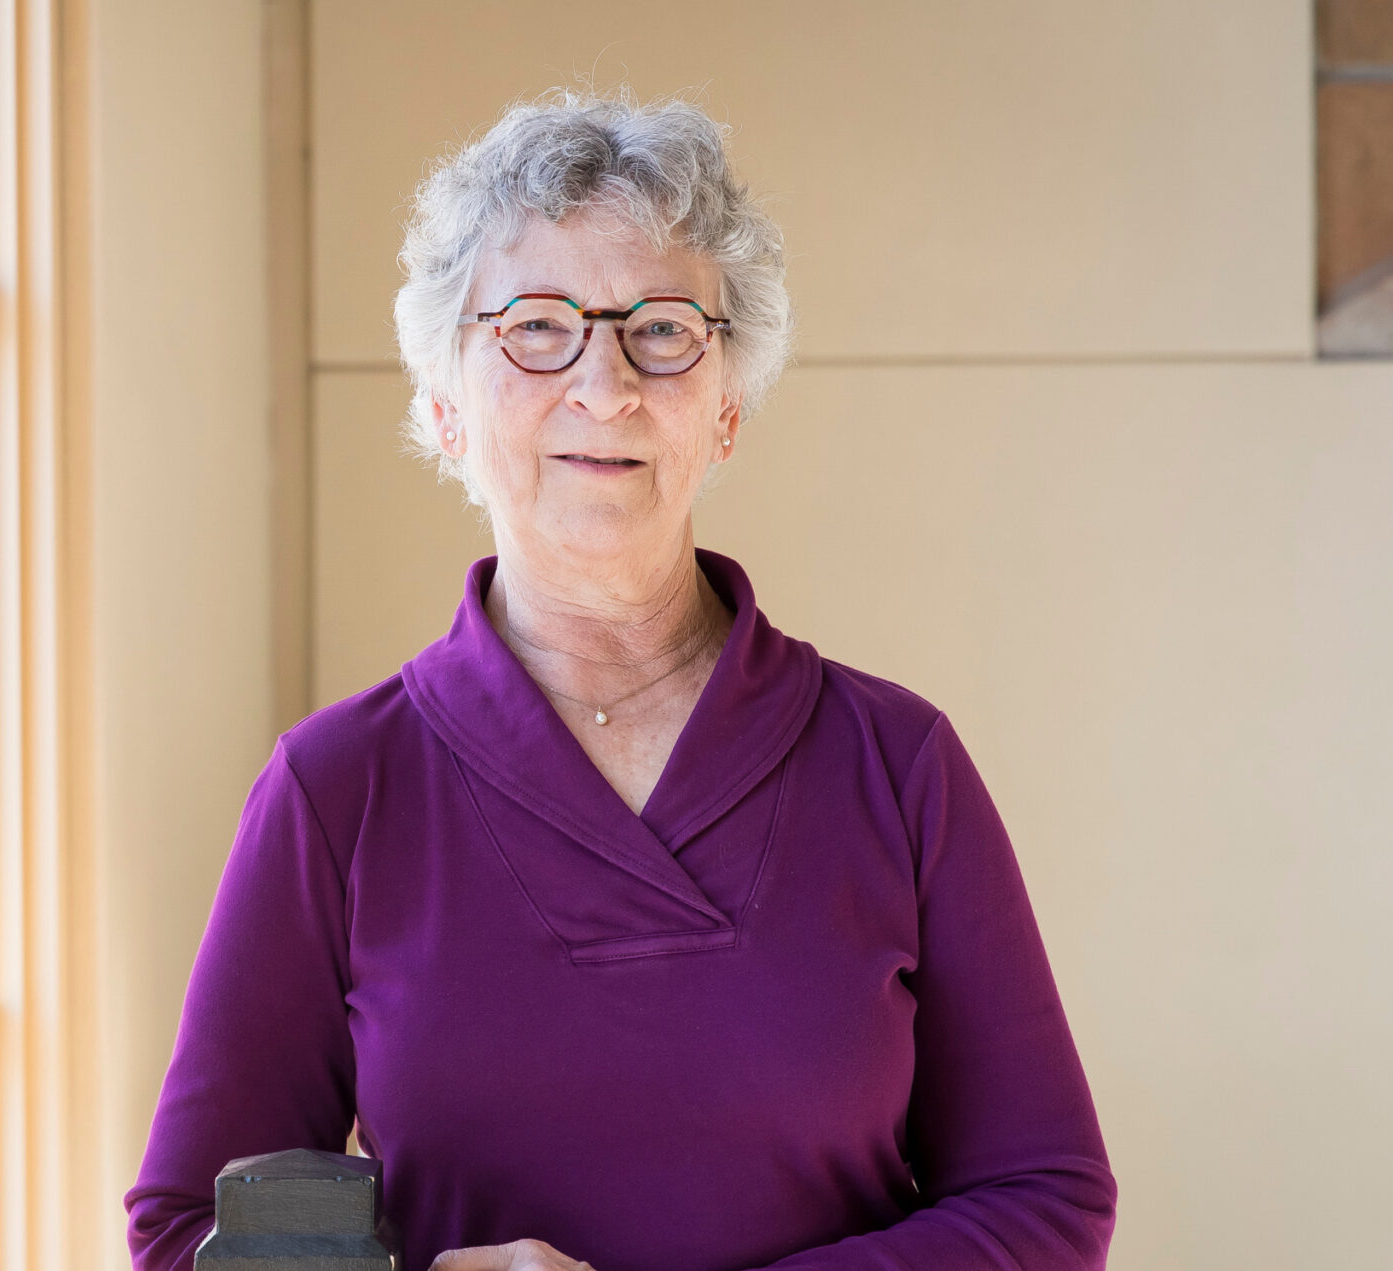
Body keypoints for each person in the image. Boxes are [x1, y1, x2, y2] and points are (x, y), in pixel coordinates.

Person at [123, 90, 1115, 1271]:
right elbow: (189, 1231)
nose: (604, 384)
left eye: (662, 329)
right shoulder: (338, 790)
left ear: (728, 406)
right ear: (444, 408)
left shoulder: (896, 766)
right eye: (537, 327)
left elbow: (1043, 1194)